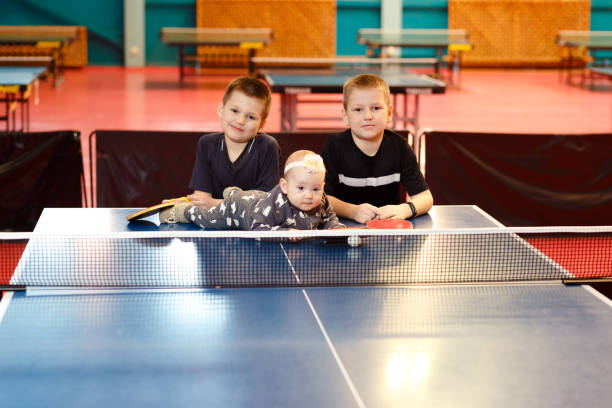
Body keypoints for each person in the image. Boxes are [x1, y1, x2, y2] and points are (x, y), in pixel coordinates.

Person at [321, 73, 433, 224]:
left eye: (376, 108)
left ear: (389, 113)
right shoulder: (333, 147)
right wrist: (353, 211)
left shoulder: (400, 148)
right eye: (358, 109)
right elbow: (322, 198)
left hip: (389, 232)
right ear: (345, 116)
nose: (368, 116)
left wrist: (404, 209)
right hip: (343, 228)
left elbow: (425, 198)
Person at [160, 150, 344, 231]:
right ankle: (182, 212)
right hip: (240, 211)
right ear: (284, 187)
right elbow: (258, 228)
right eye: (301, 188)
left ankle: (233, 192)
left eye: (316, 188)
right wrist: (283, 233)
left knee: (249, 196)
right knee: (209, 219)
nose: (309, 195)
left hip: (257, 198)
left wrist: (336, 229)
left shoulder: (322, 201)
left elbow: (329, 219)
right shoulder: (274, 206)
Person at [186, 76, 280, 209]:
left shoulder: (268, 147)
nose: (241, 121)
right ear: (221, 109)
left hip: (252, 227)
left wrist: (215, 203)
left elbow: (266, 204)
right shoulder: (206, 144)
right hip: (212, 224)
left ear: (262, 124)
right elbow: (201, 199)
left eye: (251, 117)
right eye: (235, 111)